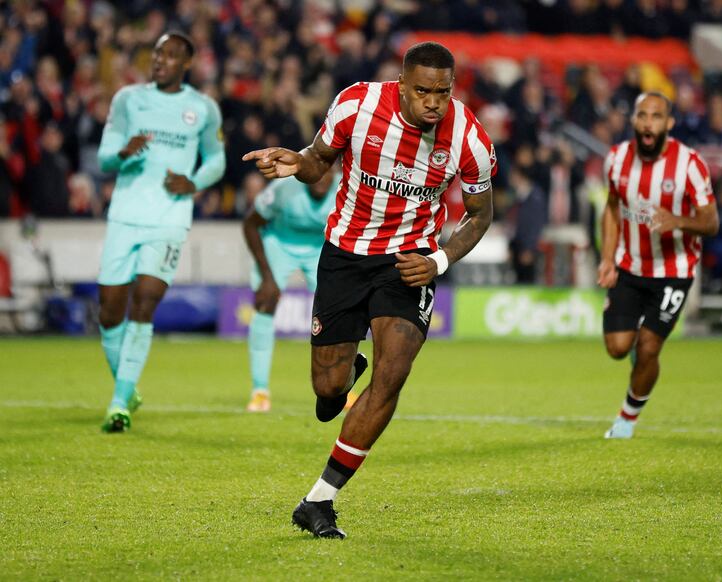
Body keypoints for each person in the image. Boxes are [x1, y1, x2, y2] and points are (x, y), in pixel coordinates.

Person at [243, 41, 496, 538]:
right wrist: (296, 163)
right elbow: (320, 160)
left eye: (442, 93)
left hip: (407, 262)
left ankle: (320, 499)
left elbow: (480, 213)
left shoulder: (469, 136)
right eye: (422, 91)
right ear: (401, 85)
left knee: (393, 371)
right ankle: (345, 372)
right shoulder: (357, 104)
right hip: (344, 254)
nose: (433, 103)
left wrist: (438, 259)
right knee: (328, 388)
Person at [96, 32, 225, 433]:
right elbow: (103, 158)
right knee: (109, 311)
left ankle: (119, 403)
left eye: (171, 56)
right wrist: (123, 153)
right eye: (157, 54)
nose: (160, 61)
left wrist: (194, 181)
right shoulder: (127, 100)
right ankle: (127, 385)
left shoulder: (202, 108)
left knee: (144, 304)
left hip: (169, 218)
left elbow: (217, 158)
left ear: (186, 63)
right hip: (125, 215)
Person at [597, 91, 719, 439]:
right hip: (629, 267)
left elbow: (711, 223)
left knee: (649, 347)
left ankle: (627, 418)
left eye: (656, 116)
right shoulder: (617, 158)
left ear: (669, 123)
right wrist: (607, 258)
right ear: (633, 120)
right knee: (618, 348)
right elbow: (611, 206)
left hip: (673, 272)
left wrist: (677, 220)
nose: (648, 123)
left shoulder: (690, 164)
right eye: (642, 115)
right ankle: (640, 361)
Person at [242, 168, 339, 413]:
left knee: (338, 312)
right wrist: (266, 275)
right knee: (265, 302)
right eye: (315, 173)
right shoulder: (284, 188)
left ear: (336, 172)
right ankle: (260, 391)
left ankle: (341, 387)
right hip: (279, 242)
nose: (319, 178)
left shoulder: (346, 187)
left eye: (326, 172)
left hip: (321, 246)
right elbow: (251, 224)